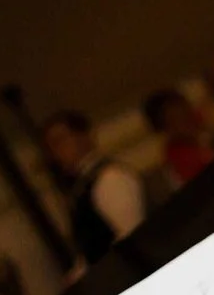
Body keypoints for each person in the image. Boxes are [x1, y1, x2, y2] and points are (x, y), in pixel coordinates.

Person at [39, 110, 145, 265]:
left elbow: (133, 234)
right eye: (52, 148)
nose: (56, 153)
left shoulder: (109, 177)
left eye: (60, 141)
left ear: (83, 137)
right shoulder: (81, 189)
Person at [141, 88, 214, 186]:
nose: (188, 120)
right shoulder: (180, 160)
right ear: (165, 129)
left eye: (187, 111)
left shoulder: (209, 124)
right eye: (176, 119)